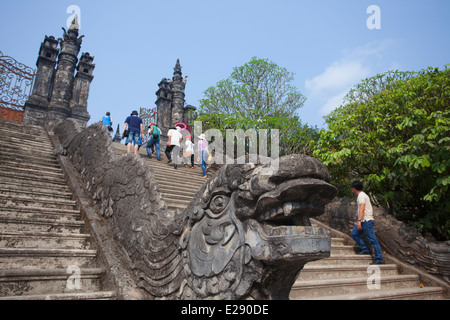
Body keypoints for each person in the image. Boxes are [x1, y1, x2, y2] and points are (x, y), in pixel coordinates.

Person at [350, 181, 384, 265]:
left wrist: (359, 221)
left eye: (352, 188)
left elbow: (362, 208)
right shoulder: (362, 195)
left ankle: (379, 258)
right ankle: (365, 249)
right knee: (354, 233)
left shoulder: (361, 196)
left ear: (354, 188)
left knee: (373, 240)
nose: (352, 189)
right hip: (364, 221)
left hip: (366, 221)